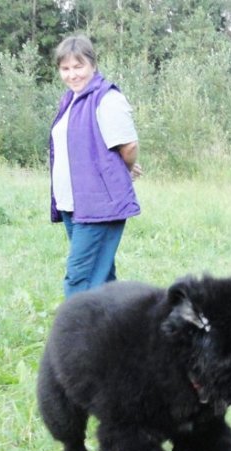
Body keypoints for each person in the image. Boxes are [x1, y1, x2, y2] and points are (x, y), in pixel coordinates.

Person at [49, 34, 142, 298]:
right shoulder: (71, 99)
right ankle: (115, 335)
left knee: (79, 279)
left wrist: (125, 167)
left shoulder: (106, 98)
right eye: (65, 68)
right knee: (101, 277)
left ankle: (75, 338)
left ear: (92, 64)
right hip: (73, 204)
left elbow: (128, 146)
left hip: (99, 205)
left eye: (78, 66)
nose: (72, 74)